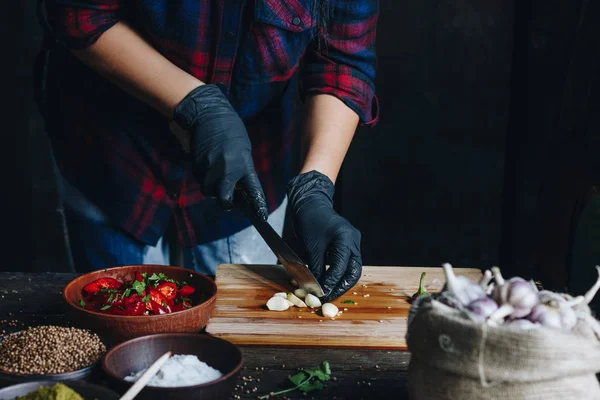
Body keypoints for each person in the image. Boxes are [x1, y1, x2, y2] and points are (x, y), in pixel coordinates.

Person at [36, 0, 379, 302]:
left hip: (253, 165)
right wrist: (196, 104)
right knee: (118, 329)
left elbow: (340, 61)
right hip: (114, 154)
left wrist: (316, 184)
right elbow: (79, 14)